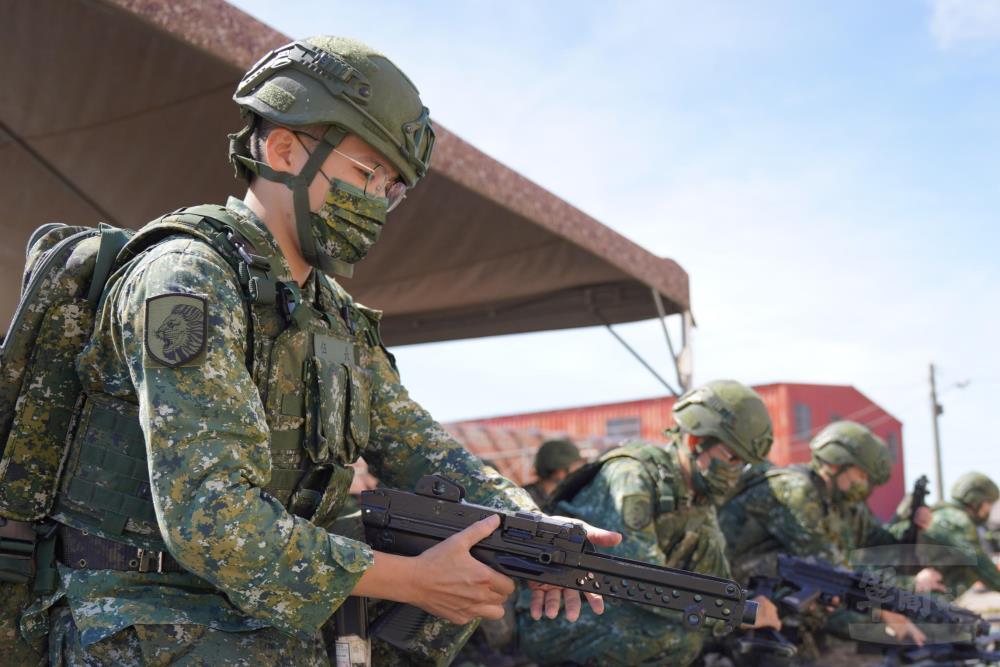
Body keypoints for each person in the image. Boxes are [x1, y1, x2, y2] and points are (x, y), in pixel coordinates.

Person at [8, 36, 618, 666]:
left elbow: (420, 449)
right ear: (282, 149)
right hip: (145, 616)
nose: (379, 202)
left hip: (265, 619)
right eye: (366, 173)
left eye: (394, 188)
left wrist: (535, 532)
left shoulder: (335, 319)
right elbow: (212, 517)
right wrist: (411, 581)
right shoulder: (186, 280)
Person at [517, 380, 783, 666]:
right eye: (732, 458)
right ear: (695, 441)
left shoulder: (696, 491)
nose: (737, 472)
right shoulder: (632, 476)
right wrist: (739, 612)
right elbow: (642, 583)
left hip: (615, 610)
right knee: (678, 637)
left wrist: (748, 605)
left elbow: (713, 576)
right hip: (556, 618)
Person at [719, 421, 932, 662]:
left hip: (782, 609)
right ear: (835, 464)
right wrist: (889, 609)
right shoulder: (797, 490)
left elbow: (884, 551)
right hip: (739, 604)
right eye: (861, 475)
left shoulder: (842, 506)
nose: (865, 486)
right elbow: (830, 568)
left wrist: (913, 528)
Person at [899, 472, 1000, 597]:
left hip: (905, 588)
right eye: (988, 503)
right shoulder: (959, 520)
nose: (989, 510)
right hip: (917, 594)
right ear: (976, 500)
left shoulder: (941, 512)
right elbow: (980, 564)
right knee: (971, 570)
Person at [522, 439, 584, 508]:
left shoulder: (570, 498)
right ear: (559, 471)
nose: (580, 472)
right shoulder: (523, 499)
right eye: (576, 467)